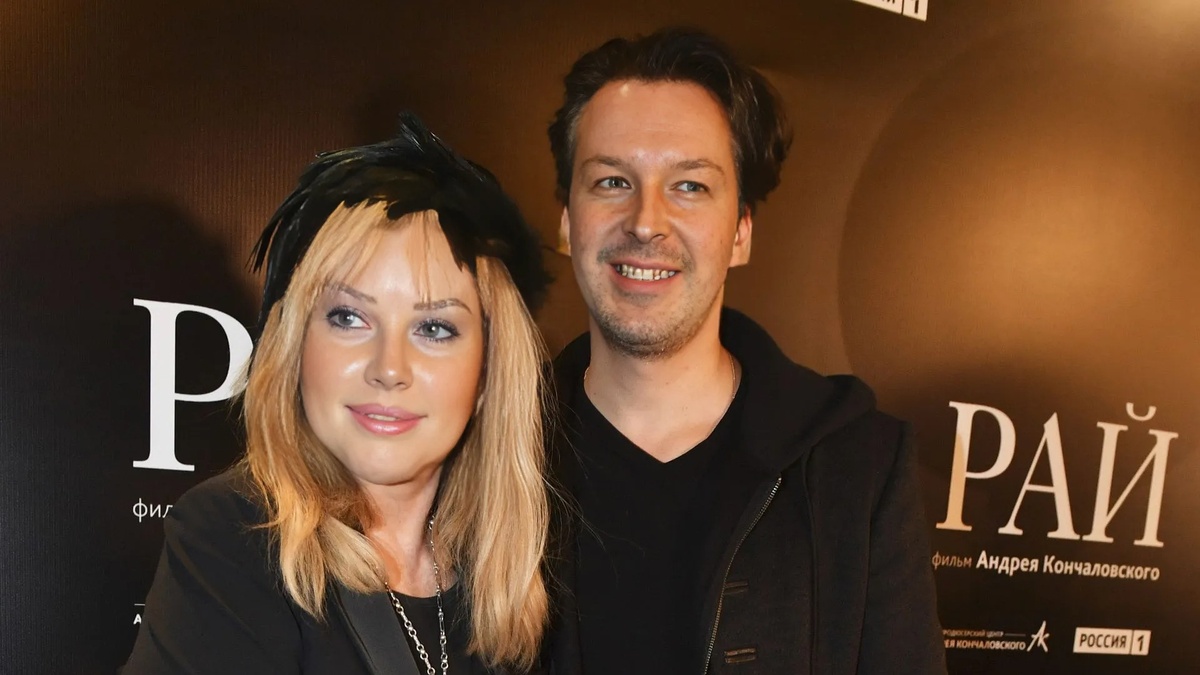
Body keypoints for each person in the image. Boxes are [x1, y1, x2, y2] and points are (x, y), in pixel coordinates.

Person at [544, 28, 947, 675]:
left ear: (741, 232)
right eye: (612, 180)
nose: (645, 221)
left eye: (690, 186)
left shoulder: (857, 467)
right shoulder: (491, 455)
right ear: (567, 220)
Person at [124, 113, 554, 675]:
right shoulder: (233, 540)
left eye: (434, 328)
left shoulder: (503, 585)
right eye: (349, 317)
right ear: (296, 346)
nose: (389, 368)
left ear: (488, 372)